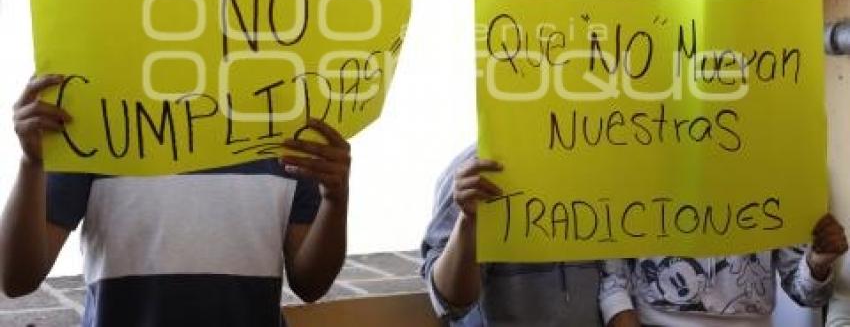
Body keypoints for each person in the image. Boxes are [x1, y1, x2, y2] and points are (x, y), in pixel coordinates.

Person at [0, 74, 351, 327]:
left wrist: (335, 199)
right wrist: (31, 162)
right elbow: (16, 278)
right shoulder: (95, 117)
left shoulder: (284, 126)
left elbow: (310, 284)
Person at [420, 145, 603, 326]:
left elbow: (617, 277)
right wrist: (467, 221)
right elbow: (448, 301)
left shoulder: (597, 159)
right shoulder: (475, 174)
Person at [600, 214, 848, 327]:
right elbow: (613, 277)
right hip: (654, 320)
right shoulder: (638, 158)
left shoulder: (777, 173)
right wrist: (619, 312)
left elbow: (807, 295)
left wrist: (817, 264)